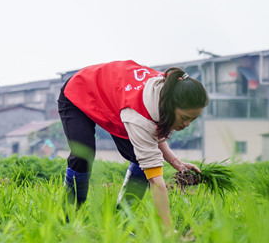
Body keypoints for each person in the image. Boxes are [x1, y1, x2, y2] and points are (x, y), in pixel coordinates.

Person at [58, 60, 209, 230]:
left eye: (193, 119)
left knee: (140, 160)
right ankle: (67, 219)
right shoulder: (139, 116)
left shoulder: (171, 89)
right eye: (184, 118)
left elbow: (153, 136)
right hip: (80, 90)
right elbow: (156, 181)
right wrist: (168, 230)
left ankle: (121, 222)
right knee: (83, 155)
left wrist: (176, 162)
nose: (187, 124)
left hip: (115, 99)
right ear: (170, 106)